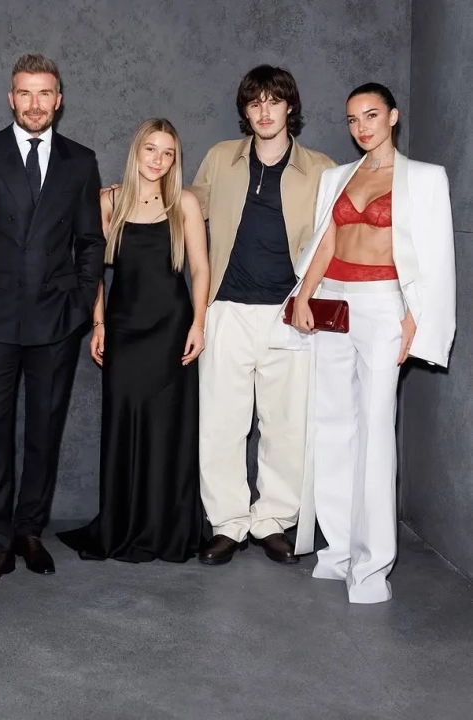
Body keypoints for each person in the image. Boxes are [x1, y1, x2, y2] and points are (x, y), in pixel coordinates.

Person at [280, 83, 456, 603]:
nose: (362, 127)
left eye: (371, 115)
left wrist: (415, 320)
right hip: (334, 302)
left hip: (383, 307)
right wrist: (305, 295)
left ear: (393, 117)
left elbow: (437, 256)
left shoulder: (423, 178)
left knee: (376, 432)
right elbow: (325, 241)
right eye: (353, 119)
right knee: (332, 426)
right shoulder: (338, 176)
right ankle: (338, 550)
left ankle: (372, 567)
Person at [0, 53, 105, 593]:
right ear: (11, 98)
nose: (35, 104)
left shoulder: (80, 160)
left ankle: (29, 530)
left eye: (44, 93)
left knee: (44, 431)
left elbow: (90, 241)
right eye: (25, 93)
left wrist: (80, 306)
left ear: (58, 100)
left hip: (55, 319)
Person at [190, 65, 336, 566]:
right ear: (246, 112)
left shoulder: (320, 168)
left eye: (274, 101)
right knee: (220, 424)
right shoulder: (219, 159)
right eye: (255, 103)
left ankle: (273, 522)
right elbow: (188, 210)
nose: (265, 111)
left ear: (290, 107)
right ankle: (228, 524)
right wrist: (127, 196)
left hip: (289, 312)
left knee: (286, 426)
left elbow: (334, 239)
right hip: (226, 309)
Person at [57, 119, 209, 562]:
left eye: (168, 152)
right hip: (124, 330)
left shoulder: (184, 202)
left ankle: (167, 529)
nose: (158, 159)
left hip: (172, 329)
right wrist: (99, 323)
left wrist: (198, 325)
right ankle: (123, 525)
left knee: (168, 429)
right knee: (123, 426)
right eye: (151, 149)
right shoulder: (108, 201)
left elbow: (200, 268)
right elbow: (91, 271)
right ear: (136, 151)